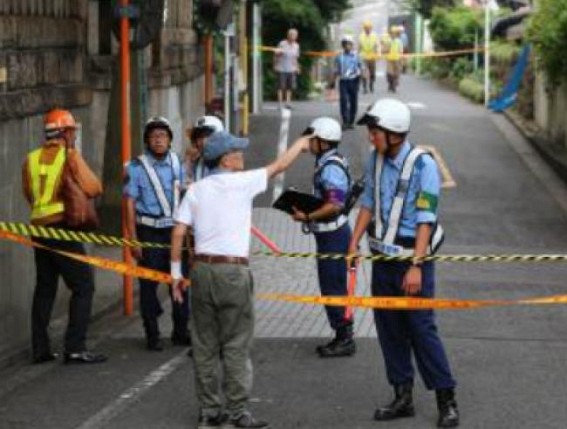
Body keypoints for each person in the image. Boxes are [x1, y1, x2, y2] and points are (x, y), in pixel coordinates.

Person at [170, 131, 310, 428]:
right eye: (237, 151)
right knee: (236, 343)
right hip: (233, 272)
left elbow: (179, 232)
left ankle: (209, 412)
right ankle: (237, 412)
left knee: (205, 344)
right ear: (226, 158)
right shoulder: (243, 182)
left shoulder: (196, 189)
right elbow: (280, 166)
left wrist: (175, 276)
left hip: (202, 271)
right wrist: (301, 143)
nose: (242, 156)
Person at [349, 98, 459, 428]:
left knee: (421, 329)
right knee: (389, 329)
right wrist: (353, 244)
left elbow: (426, 217)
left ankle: (446, 399)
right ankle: (402, 396)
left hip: (413, 258)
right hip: (382, 258)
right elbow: (368, 204)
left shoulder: (423, 166)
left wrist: (416, 266)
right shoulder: (375, 159)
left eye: (375, 131)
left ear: (394, 133)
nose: (370, 136)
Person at [22, 108, 107, 364]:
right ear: (66, 132)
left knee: (45, 288)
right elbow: (94, 187)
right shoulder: (69, 155)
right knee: (83, 285)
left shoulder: (31, 159)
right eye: (71, 131)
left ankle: (40, 349)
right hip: (63, 228)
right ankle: (75, 347)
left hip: (38, 228)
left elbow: (29, 193)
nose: (73, 135)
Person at [289, 117, 356, 358]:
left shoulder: (330, 167)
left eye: (312, 138)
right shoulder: (327, 161)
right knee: (332, 285)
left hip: (334, 236)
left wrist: (308, 216)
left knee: (333, 286)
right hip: (331, 234)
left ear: (323, 141)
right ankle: (342, 334)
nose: (309, 143)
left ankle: (344, 338)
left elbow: (335, 204)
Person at [124, 116, 190, 352]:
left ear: (170, 139)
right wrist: (133, 239)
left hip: (175, 232)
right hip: (149, 231)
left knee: (180, 281)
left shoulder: (177, 164)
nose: (159, 140)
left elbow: (186, 196)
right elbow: (129, 205)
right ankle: (152, 333)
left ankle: (181, 331)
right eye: (154, 137)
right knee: (149, 286)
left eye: (163, 136)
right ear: (147, 141)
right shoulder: (136, 167)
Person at [331, 35, 362, 130]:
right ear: (343, 45)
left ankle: (351, 121)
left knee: (353, 101)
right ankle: (345, 121)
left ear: (352, 45)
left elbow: (361, 67)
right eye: (345, 44)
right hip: (343, 81)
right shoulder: (339, 56)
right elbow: (336, 69)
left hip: (354, 80)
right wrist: (332, 81)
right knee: (344, 101)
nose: (347, 46)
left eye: (349, 44)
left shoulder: (356, 56)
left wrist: (363, 78)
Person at [184, 115, 225, 183]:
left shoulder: (231, 163)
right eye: (199, 137)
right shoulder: (194, 164)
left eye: (208, 136)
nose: (203, 142)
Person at [274, 28, 300, 109]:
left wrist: (297, 67)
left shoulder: (296, 46)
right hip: (281, 68)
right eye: (292, 35)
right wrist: (275, 64)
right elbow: (276, 55)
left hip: (291, 69)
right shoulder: (282, 43)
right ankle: (280, 103)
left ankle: (288, 103)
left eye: (295, 35)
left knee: (290, 87)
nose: (294, 37)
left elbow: (295, 58)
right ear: (288, 35)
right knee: (280, 87)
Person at [358, 20, 379, 94]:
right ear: (364, 28)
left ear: (371, 28)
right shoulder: (361, 36)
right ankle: (364, 88)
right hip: (364, 57)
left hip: (372, 56)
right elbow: (359, 46)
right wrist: (358, 55)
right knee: (364, 72)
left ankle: (371, 84)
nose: (367, 29)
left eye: (368, 28)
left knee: (372, 72)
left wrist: (377, 53)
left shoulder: (374, 35)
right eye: (366, 28)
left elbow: (376, 46)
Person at [385, 26, 404, 93]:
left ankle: (394, 86)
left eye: (394, 33)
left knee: (396, 74)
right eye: (391, 33)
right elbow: (385, 50)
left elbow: (401, 51)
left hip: (397, 59)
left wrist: (401, 59)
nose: (392, 34)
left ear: (396, 34)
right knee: (390, 73)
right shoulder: (388, 41)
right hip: (390, 60)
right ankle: (390, 84)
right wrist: (387, 48)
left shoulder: (399, 41)